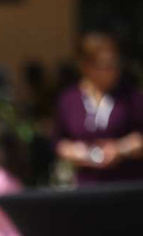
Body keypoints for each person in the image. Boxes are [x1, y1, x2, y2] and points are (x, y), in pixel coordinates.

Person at [54, 32, 143, 185]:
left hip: (126, 185)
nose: (112, 70)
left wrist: (120, 149)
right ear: (86, 66)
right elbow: (59, 141)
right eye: (104, 65)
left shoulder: (132, 97)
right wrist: (76, 152)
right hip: (86, 186)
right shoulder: (69, 100)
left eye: (114, 64)